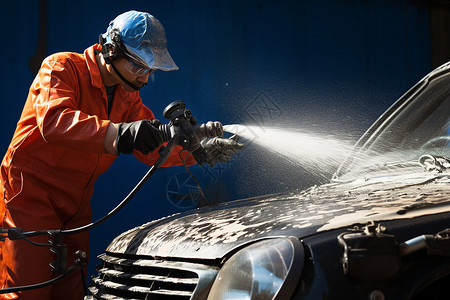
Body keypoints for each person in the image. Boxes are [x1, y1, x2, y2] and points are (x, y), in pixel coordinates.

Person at [0, 10, 242, 299]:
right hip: (29, 195)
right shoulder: (62, 67)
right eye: (139, 67)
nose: (144, 77)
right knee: (28, 293)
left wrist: (199, 152)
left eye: (149, 70)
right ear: (111, 50)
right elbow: (55, 122)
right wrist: (122, 134)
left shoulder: (126, 95)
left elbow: (153, 147)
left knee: (70, 290)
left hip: (77, 201)